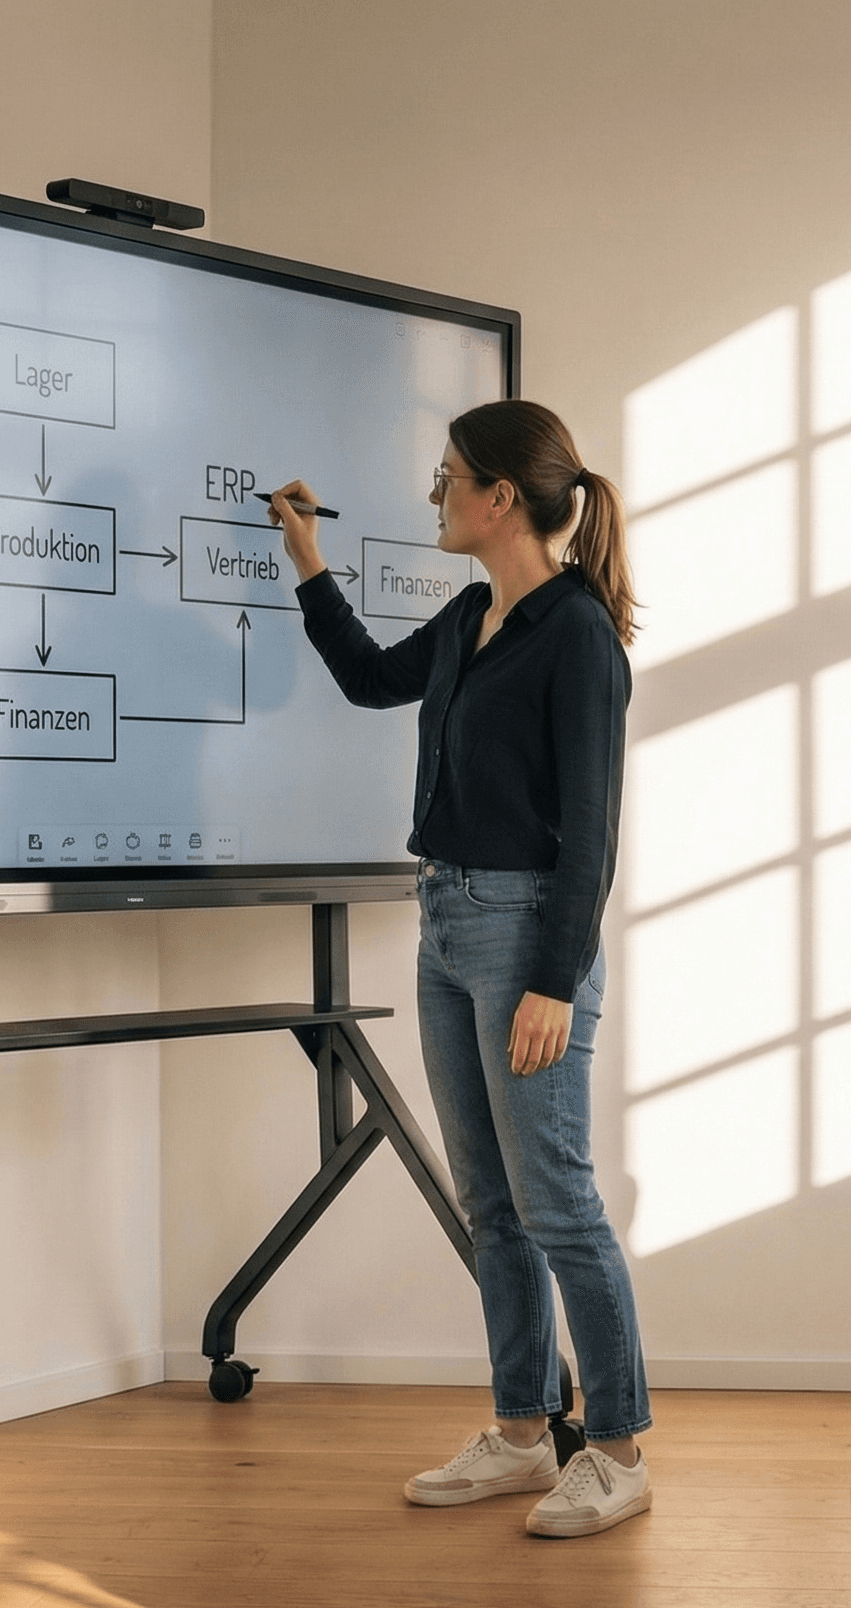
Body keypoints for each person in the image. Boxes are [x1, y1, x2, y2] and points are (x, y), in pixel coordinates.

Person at [266, 398, 653, 1539]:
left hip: (527, 932)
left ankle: (618, 1448)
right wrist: (308, 564)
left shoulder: (577, 635)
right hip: (444, 920)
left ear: (499, 498)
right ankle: (526, 1430)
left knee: (558, 1201)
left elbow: (591, 830)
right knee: (491, 1202)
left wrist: (551, 977)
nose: (433, 495)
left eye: (447, 479)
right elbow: (368, 680)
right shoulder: (474, 611)